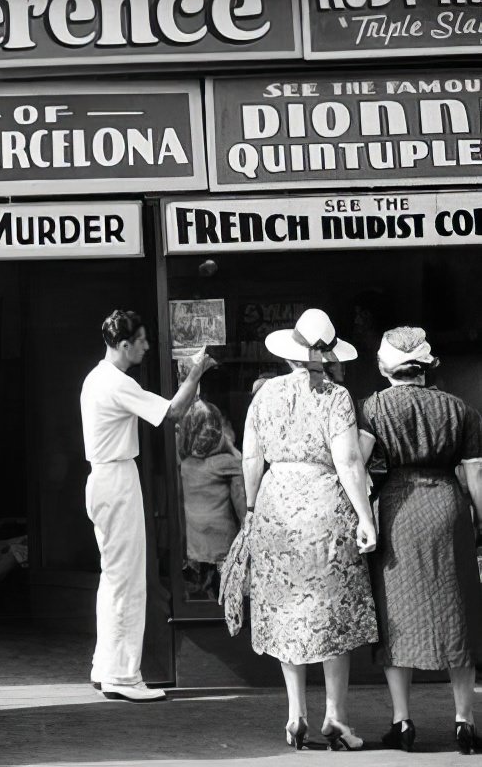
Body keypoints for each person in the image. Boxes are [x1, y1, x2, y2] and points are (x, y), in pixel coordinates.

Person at [243, 308, 377, 750]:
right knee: (331, 610)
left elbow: (250, 459)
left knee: (287, 611)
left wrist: (249, 508)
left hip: (276, 503)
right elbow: (349, 461)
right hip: (324, 506)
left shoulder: (264, 394)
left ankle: (295, 713)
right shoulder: (336, 396)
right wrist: (365, 515)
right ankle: (335, 717)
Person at [80, 309, 216, 703]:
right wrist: (195, 373)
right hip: (116, 479)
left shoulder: (97, 378)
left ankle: (107, 667)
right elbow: (172, 412)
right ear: (123, 345)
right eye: (140, 340)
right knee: (127, 578)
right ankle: (122, 674)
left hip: (109, 477)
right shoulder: (115, 382)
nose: (146, 345)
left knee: (115, 576)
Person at [360, 327, 482, 755]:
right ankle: (464, 721)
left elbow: (357, 464)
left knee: (398, 611)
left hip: (398, 509)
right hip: (448, 508)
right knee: (459, 610)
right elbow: (475, 475)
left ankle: (403, 721)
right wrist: (480, 524)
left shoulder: (372, 407)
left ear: (383, 367)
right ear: (427, 367)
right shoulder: (460, 409)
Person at [178, 396, 245, 600]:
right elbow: (243, 508)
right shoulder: (227, 463)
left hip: (193, 548)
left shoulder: (185, 465)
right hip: (222, 548)